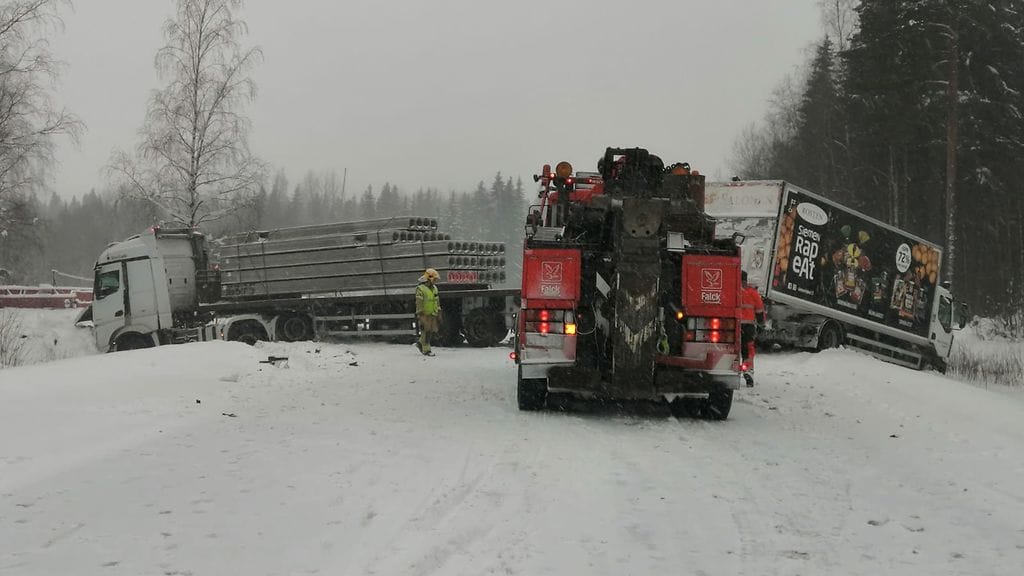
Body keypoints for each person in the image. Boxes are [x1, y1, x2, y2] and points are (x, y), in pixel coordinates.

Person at [739, 270, 766, 386]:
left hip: (734, 325)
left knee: (732, 348)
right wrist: (761, 324)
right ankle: (748, 371)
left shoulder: (732, 291)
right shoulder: (753, 292)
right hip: (748, 327)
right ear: (746, 280)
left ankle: (731, 369)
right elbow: (759, 310)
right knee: (748, 349)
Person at [415, 268, 442, 356]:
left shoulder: (434, 288)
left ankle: (420, 343)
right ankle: (427, 350)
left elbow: (436, 301)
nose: (435, 281)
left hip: (432, 313)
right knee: (425, 332)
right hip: (424, 314)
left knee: (430, 332)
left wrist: (438, 311)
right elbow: (419, 302)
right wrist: (420, 314)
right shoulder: (420, 289)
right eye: (434, 279)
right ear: (429, 278)